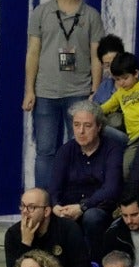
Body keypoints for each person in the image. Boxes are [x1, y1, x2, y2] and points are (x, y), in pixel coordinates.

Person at [22, 0, 103, 186]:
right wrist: (29, 90)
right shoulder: (41, 12)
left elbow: (97, 56)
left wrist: (95, 91)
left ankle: (73, 201)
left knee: (80, 148)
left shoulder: (91, 15)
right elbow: (33, 52)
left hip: (79, 92)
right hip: (45, 92)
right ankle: (43, 204)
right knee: (45, 150)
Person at [48, 102, 121, 249]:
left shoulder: (112, 149)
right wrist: (56, 206)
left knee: (92, 217)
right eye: (76, 125)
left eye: (87, 126)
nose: (81, 131)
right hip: (69, 208)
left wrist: (82, 207)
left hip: (100, 208)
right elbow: (54, 187)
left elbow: (111, 188)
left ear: (99, 127)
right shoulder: (65, 150)